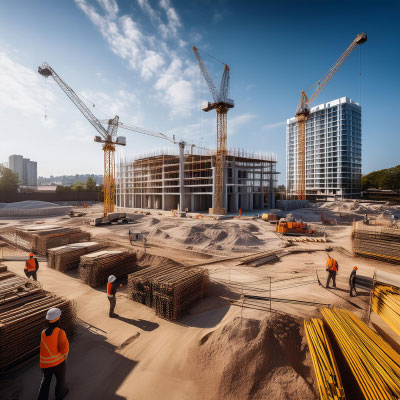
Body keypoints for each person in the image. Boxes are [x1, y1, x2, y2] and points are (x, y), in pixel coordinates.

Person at [37, 308, 69, 400]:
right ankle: (60, 395)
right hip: (58, 363)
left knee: (45, 382)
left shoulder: (43, 333)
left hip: (45, 364)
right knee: (60, 380)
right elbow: (64, 350)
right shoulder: (60, 332)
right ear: (58, 319)